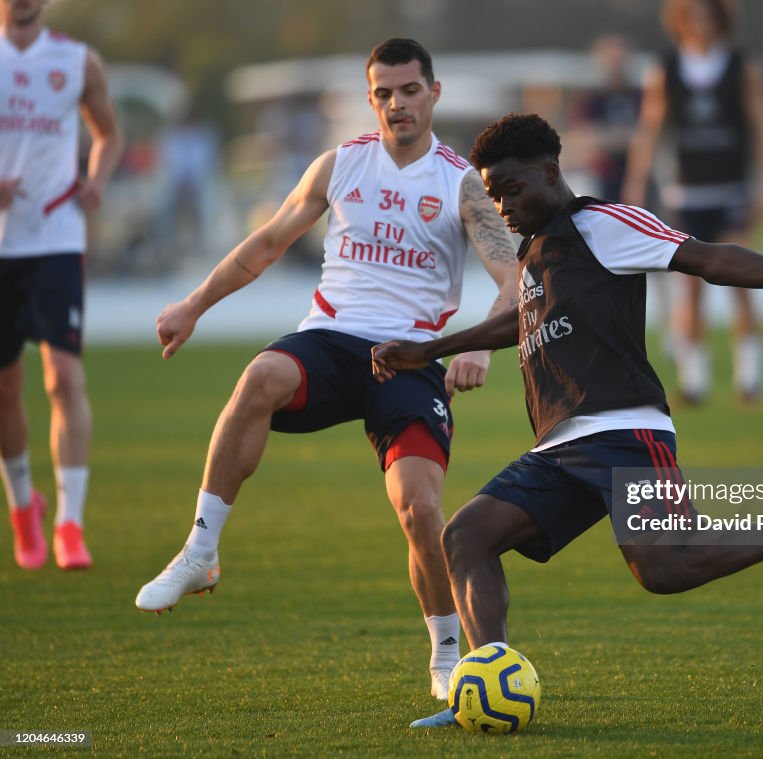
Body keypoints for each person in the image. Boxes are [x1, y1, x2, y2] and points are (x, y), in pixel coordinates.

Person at [368, 114, 763, 728]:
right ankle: (484, 687)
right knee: (466, 537)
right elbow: (517, 319)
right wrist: (430, 349)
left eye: (513, 190)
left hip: (624, 430)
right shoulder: (534, 253)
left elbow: (705, 258)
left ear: (551, 172)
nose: (504, 206)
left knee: (666, 569)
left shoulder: (602, 226)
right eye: (494, 197)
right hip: (558, 447)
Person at [134, 39, 519, 702]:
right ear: (371, 98)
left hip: (411, 360)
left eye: (408, 90)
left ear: (434, 93)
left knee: (420, 507)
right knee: (258, 378)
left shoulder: (459, 183)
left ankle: (446, 650)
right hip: (331, 341)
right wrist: (193, 304)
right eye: (383, 93)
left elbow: (514, 275)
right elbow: (266, 242)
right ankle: (200, 551)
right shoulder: (340, 166)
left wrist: (479, 344)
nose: (396, 103)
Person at [0, 0, 122, 570]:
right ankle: (24, 507)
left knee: (63, 378)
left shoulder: (76, 61)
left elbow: (108, 133)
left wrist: (95, 179)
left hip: (55, 237)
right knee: (6, 388)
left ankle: (70, 524)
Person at [622, 0, 763, 404]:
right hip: (686, 192)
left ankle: (749, 376)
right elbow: (649, 129)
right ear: (680, 22)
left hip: (733, 189)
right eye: (692, 17)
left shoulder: (742, 66)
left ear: (720, 20)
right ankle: (695, 380)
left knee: (742, 280)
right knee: (691, 289)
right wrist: (636, 185)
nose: (700, 24)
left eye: (708, 16)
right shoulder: (667, 68)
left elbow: (762, 126)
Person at [567, 35, 644, 204]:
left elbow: (648, 133)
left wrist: (612, 136)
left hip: (638, 176)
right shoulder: (590, 98)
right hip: (603, 176)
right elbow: (585, 137)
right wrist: (624, 138)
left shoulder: (640, 95)